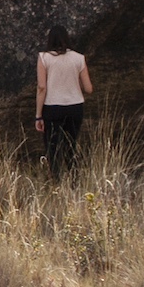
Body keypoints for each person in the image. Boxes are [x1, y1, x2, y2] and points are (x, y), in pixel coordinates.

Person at [34, 23, 92, 175]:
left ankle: (56, 180)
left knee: (52, 147)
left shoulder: (44, 58)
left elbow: (41, 87)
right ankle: (74, 178)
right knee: (70, 145)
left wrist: (38, 115)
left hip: (52, 107)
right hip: (75, 106)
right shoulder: (79, 58)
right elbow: (88, 88)